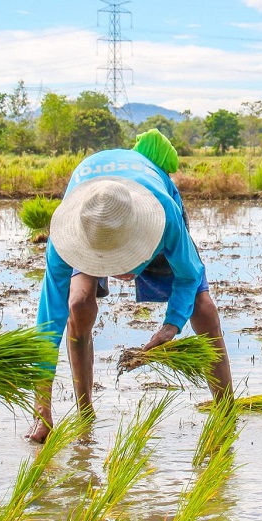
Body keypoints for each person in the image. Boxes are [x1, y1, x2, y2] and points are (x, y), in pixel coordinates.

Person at [27, 131, 233, 443]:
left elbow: (189, 275)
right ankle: (85, 414)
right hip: (93, 212)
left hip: (142, 202)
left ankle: (226, 412)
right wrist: (41, 410)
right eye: (107, 262)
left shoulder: (164, 213)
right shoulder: (67, 231)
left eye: (123, 260)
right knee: (77, 306)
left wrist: (171, 325)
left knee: (203, 309)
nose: (118, 272)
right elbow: (48, 325)